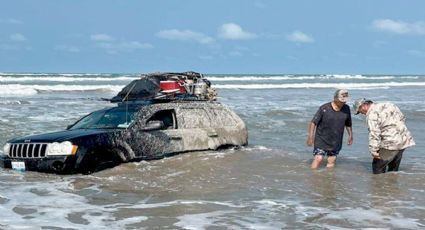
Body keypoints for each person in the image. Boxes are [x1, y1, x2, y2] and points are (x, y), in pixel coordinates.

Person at [353, 98, 415, 174]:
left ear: (363, 106)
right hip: (403, 140)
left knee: (377, 167)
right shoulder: (389, 105)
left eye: (360, 111)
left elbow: (374, 134)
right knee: (393, 170)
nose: (362, 113)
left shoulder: (371, 115)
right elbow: (402, 118)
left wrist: (374, 151)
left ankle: (379, 185)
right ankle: (392, 184)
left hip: (390, 143)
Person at [307, 89, 353, 169]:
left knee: (331, 160)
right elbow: (313, 122)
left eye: (345, 101)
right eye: (341, 100)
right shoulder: (324, 108)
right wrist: (310, 137)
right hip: (321, 139)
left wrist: (350, 135)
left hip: (336, 140)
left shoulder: (346, 109)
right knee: (319, 158)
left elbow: (348, 123)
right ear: (335, 98)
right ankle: (313, 178)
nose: (343, 102)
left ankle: (329, 180)